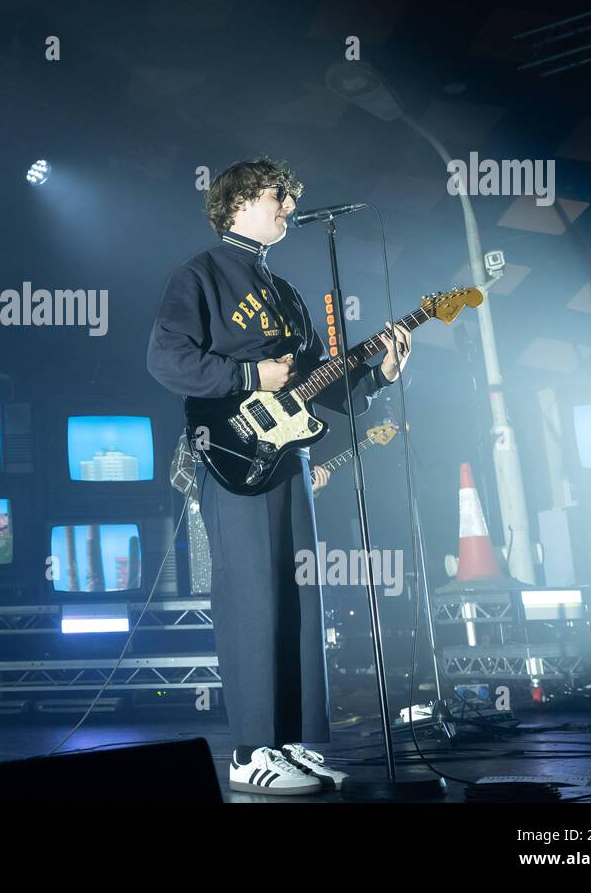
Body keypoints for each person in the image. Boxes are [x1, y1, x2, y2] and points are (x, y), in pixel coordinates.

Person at [147, 158, 411, 796]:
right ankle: (247, 752)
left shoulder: (285, 290)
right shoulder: (200, 274)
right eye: (277, 199)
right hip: (233, 455)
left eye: (290, 201)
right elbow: (166, 358)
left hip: (288, 454)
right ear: (236, 203)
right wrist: (247, 378)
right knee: (250, 596)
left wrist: (377, 374)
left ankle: (291, 742)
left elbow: (321, 382)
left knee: (299, 595)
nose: (288, 210)